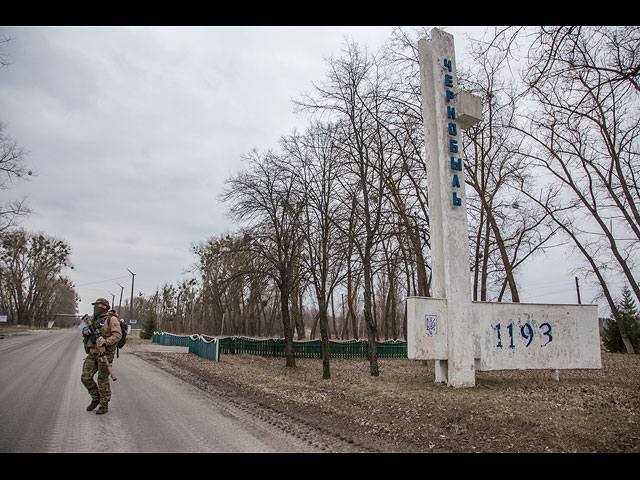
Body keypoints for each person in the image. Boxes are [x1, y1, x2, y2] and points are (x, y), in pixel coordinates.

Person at [81, 298, 122, 415]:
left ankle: (104, 404)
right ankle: (96, 398)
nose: (96, 307)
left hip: (105, 354)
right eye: (95, 305)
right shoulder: (94, 320)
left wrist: (106, 342)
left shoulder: (112, 319)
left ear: (104, 307)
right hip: (93, 353)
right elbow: (88, 332)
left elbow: (117, 335)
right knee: (85, 377)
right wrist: (85, 331)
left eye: (98, 305)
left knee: (102, 379)